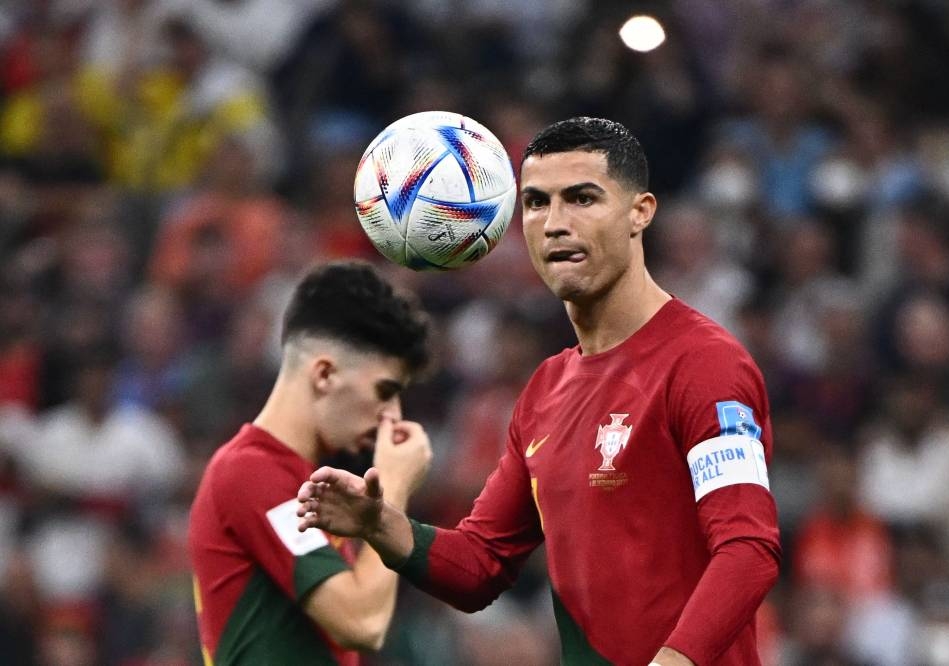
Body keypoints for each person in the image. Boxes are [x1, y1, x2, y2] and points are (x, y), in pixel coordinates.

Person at [297, 118, 781, 665]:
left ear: (639, 212)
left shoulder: (704, 364)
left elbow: (748, 551)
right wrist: (379, 525)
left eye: (581, 199)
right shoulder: (547, 389)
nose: (555, 224)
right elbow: (480, 565)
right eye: (535, 203)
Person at [188, 261, 432, 665]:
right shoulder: (250, 472)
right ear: (324, 374)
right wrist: (393, 486)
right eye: (384, 391)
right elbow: (362, 623)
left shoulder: (305, 482)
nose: (393, 415)